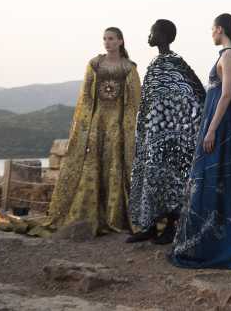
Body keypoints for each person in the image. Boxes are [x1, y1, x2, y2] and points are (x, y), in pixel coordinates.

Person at [169, 13, 231, 269]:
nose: (211, 34)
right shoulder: (230, 55)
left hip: (220, 129)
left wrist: (211, 130)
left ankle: (216, 242)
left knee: (212, 177)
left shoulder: (228, 55)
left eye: (212, 29)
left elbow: (226, 95)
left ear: (220, 29)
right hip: (218, 125)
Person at [46, 27, 140, 236]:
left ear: (120, 41)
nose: (107, 42)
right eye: (105, 38)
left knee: (114, 165)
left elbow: (134, 102)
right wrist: (84, 127)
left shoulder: (129, 68)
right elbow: (86, 97)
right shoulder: (95, 64)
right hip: (97, 122)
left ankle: (114, 217)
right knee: (93, 165)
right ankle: (90, 216)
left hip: (117, 124)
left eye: (111, 39)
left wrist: (128, 128)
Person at [127, 19, 205, 244]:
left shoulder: (176, 63)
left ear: (162, 35)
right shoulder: (155, 63)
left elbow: (197, 91)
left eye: (152, 33)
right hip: (151, 133)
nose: (149, 37)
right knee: (150, 174)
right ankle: (149, 226)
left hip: (172, 134)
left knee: (171, 178)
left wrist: (183, 122)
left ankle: (171, 227)